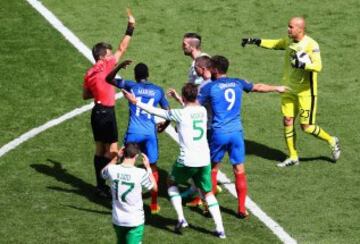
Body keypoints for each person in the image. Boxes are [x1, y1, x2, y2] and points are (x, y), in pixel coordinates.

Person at [122, 83, 226, 239]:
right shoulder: (203, 111)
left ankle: (181, 218)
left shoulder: (180, 114)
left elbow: (156, 111)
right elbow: (191, 108)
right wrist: (180, 99)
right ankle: (220, 229)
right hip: (204, 159)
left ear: (184, 97)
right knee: (208, 192)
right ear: (196, 96)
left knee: (170, 182)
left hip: (187, 160)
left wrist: (136, 102)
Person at [241, 16, 341, 167]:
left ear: (300, 29)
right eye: (288, 26)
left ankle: (331, 140)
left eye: (291, 27)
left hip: (305, 92)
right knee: (287, 120)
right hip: (288, 88)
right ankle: (293, 156)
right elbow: (276, 44)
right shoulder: (289, 41)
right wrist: (255, 41)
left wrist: (302, 65)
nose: (288, 29)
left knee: (306, 127)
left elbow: (318, 66)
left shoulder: (311, 44)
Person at [198, 55, 288, 218]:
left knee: (212, 169)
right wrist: (277, 88)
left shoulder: (209, 87)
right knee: (239, 170)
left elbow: (194, 107)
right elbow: (258, 87)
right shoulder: (238, 82)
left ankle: (209, 207)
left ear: (215, 70)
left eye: (210, 68)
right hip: (237, 132)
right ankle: (241, 209)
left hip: (219, 132)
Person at [82, 9, 135, 197]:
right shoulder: (107, 65)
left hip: (96, 112)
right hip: (107, 112)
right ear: (103, 56)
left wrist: (99, 89)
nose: (112, 55)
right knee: (112, 150)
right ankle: (112, 184)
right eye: (109, 54)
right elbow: (122, 48)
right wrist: (131, 27)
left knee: (99, 149)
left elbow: (85, 95)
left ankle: (100, 185)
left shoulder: (89, 73)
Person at [106, 61, 170, 214]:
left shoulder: (131, 86)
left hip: (134, 132)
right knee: (152, 166)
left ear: (135, 76)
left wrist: (119, 67)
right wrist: (165, 125)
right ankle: (154, 204)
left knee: (125, 162)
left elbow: (109, 79)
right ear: (148, 75)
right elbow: (168, 111)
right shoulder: (158, 90)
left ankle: (121, 197)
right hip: (150, 133)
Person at [102, 143, 157, 244]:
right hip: (134, 221)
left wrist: (116, 158)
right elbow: (154, 188)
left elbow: (103, 173)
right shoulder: (140, 173)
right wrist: (148, 168)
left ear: (123, 153)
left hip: (118, 220)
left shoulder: (112, 169)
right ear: (136, 156)